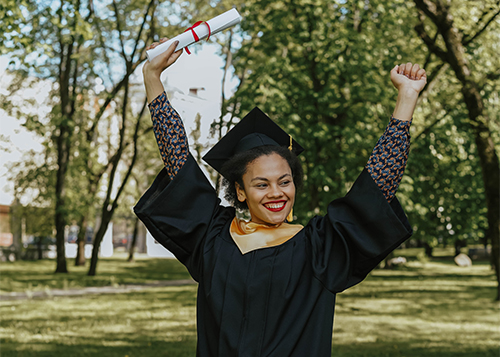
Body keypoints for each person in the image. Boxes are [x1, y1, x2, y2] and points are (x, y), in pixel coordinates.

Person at [135, 38, 426, 356]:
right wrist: (153, 78)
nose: (276, 193)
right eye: (261, 184)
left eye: (284, 181)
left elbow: (376, 187)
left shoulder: (318, 248)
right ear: (240, 192)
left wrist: (406, 99)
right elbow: (179, 161)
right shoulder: (212, 238)